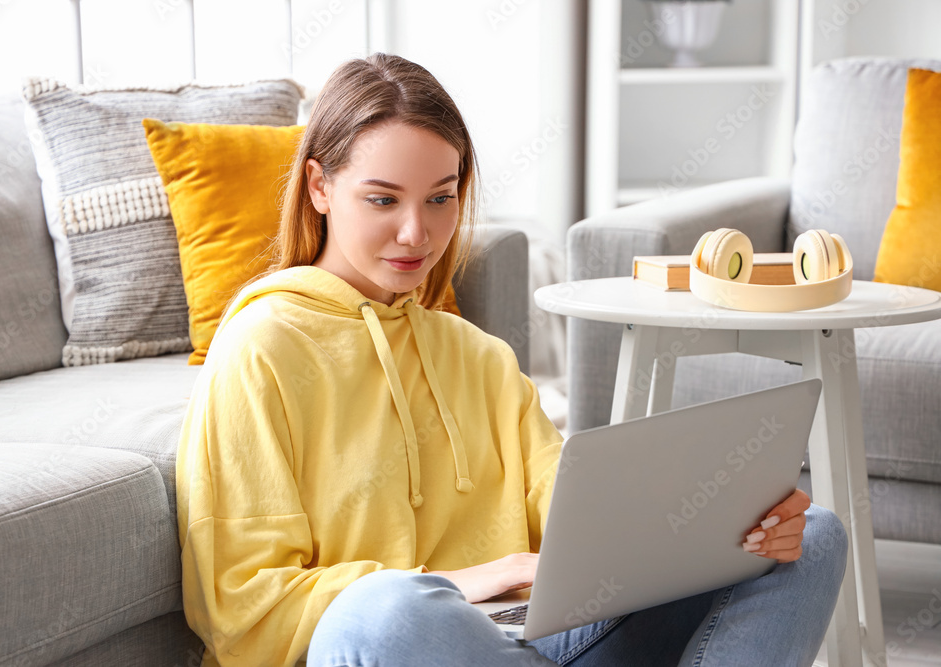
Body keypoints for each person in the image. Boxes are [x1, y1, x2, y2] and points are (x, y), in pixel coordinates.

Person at [175, 53, 848, 667]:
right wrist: (447, 587)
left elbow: (579, 522)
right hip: (401, 643)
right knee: (386, 613)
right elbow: (244, 608)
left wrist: (724, 521)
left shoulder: (478, 355)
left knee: (810, 531)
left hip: (525, 639)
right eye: (383, 199)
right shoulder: (259, 348)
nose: (419, 232)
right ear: (319, 187)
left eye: (441, 197)